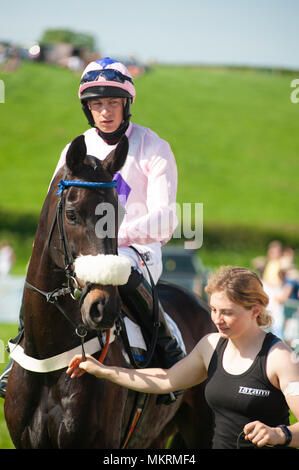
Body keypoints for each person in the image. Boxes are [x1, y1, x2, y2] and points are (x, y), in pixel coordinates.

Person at [0, 57, 184, 402]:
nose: (105, 111)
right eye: (97, 104)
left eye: (113, 102)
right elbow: (53, 207)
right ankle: (21, 352)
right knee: (39, 272)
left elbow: (166, 218)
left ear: (126, 104)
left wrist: (114, 235)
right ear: (88, 108)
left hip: (136, 249)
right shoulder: (74, 148)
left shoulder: (154, 147)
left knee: (118, 269)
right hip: (82, 248)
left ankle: (166, 348)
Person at [67, 266, 299, 449]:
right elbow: (166, 379)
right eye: (213, 309)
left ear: (255, 310)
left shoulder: (280, 359)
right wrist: (104, 370)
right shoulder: (210, 346)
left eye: (227, 313)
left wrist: (279, 434)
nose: (217, 319)